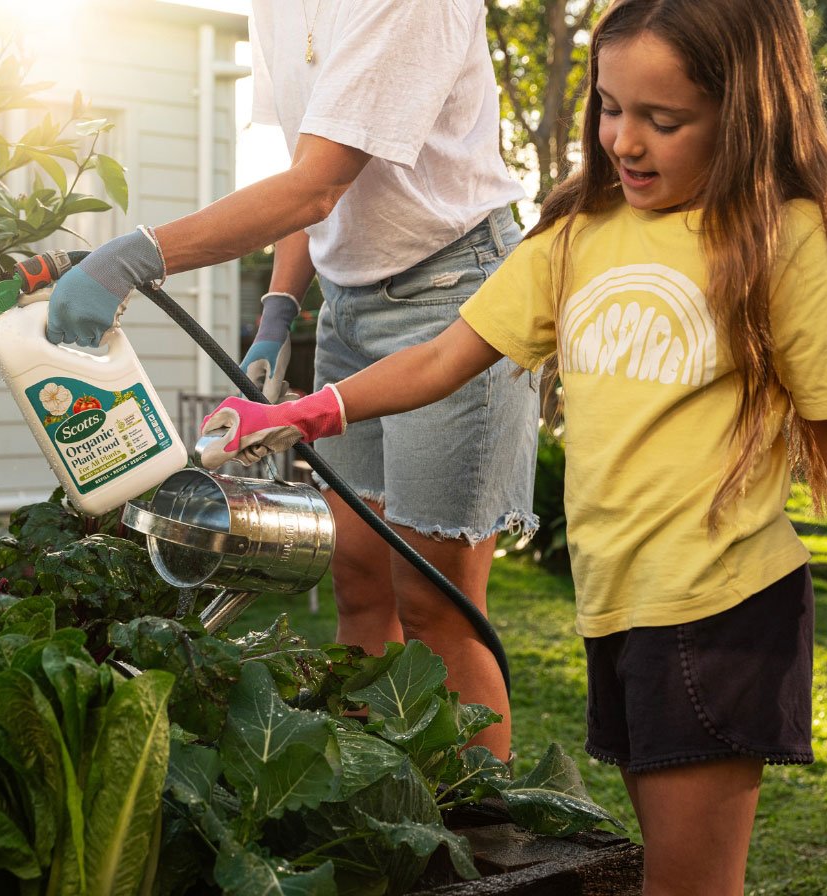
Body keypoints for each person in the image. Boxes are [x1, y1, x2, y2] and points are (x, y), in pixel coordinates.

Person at [197, 0, 827, 891]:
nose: (624, 142)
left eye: (663, 120)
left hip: (722, 608)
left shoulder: (772, 239)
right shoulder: (576, 235)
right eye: (609, 109)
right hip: (615, 607)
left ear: (743, 114)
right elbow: (446, 355)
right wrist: (308, 412)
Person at [44, 0, 539, 758]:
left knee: (437, 606)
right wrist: (278, 311)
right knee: (361, 585)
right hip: (348, 305)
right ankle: (382, 801)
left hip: (454, 298)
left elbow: (316, 187)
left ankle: (489, 838)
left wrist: (133, 256)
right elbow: (306, 174)